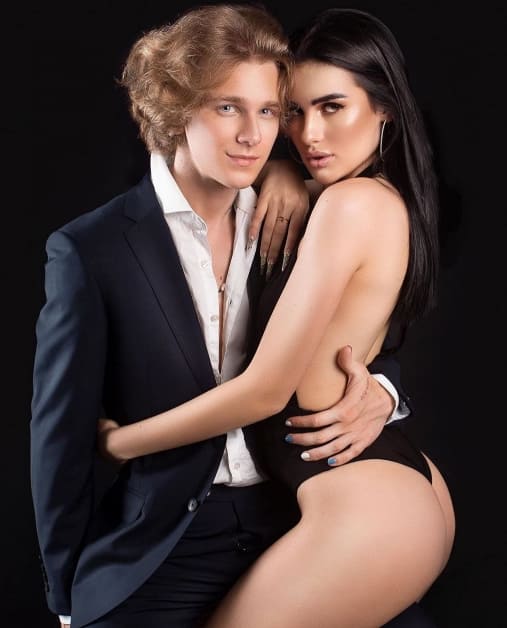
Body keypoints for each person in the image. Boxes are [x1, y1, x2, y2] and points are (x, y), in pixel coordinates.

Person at [30, 5, 413, 628]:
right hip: (162, 542)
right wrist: (65, 599)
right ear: (175, 108)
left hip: (296, 521)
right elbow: (59, 439)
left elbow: (361, 329)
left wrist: (384, 390)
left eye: (268, 111)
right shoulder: (92, 250)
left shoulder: (302, 214)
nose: (253, 135)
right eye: (228, 107)